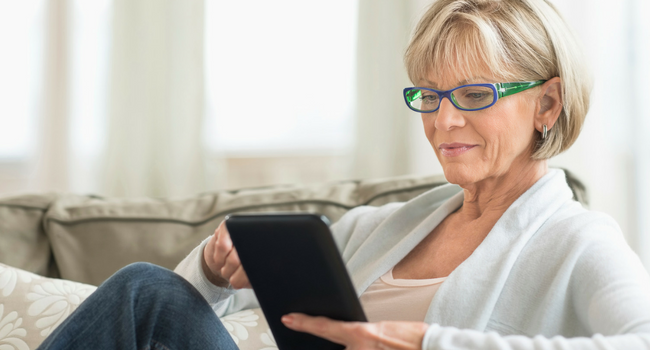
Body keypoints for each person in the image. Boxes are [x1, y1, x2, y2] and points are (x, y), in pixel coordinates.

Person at [37, 0, 650, 349]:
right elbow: (199, 316)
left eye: (474, 93)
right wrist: (219, 270)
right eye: (429, 96)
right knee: (153, 292)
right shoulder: (383, 227)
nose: (443, 120)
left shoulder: (578, 240)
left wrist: (421, 343)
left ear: (546, 103)